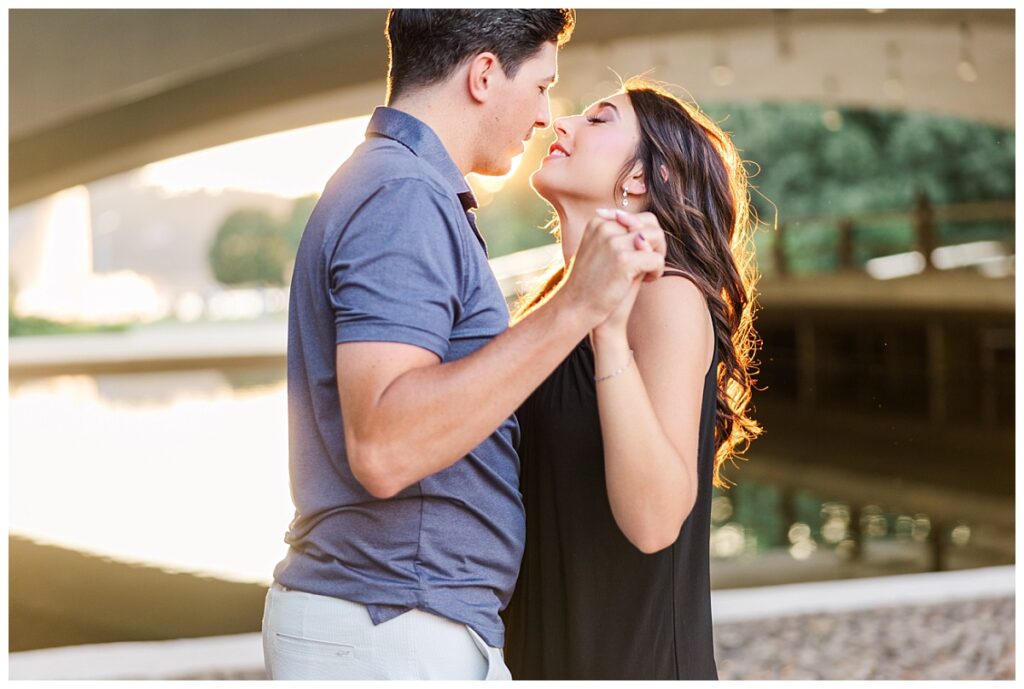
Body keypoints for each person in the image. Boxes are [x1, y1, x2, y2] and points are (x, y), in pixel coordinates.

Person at [261, 10, 669, 680]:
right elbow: (385, 446)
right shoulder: (402, 193)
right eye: (541, 86)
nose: (545, 117)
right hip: (391, 626)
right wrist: (576, 304)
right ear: (484, 74)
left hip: (395, 623)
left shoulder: (406, 188)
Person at [502, 78, 763, 680]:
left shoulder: (665, 296)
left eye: (597, 121)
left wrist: (609, 332)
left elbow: (653, 523)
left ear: (643, 178)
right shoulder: (550, 304)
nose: (558, 125)